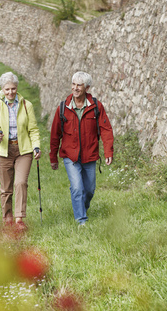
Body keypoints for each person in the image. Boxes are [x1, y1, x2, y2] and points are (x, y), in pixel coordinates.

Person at [50, 71, 114, 225]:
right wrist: (53, 158)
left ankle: (82, 208)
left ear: (87, 88)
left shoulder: (96, 106)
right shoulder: (63, 107)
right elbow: (55, 135)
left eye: (79, 85)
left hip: (90, 154)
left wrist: (108, 151)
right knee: (77, 188)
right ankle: (81, 220)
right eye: (73, 84)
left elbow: (106, 129)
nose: (75, 88)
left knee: (90, 189)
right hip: (70, 155)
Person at [0, 72, 41, 230]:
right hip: (4, 149)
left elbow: (33, 129)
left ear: (17, 88)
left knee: (21, 183)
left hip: (23, 149)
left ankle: (19, 219)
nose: (10, 92)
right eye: (7, 89)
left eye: (13, 89)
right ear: (2, 89)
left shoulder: (26, 105)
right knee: (6, 187)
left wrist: (36, 146)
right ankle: (7, 217)